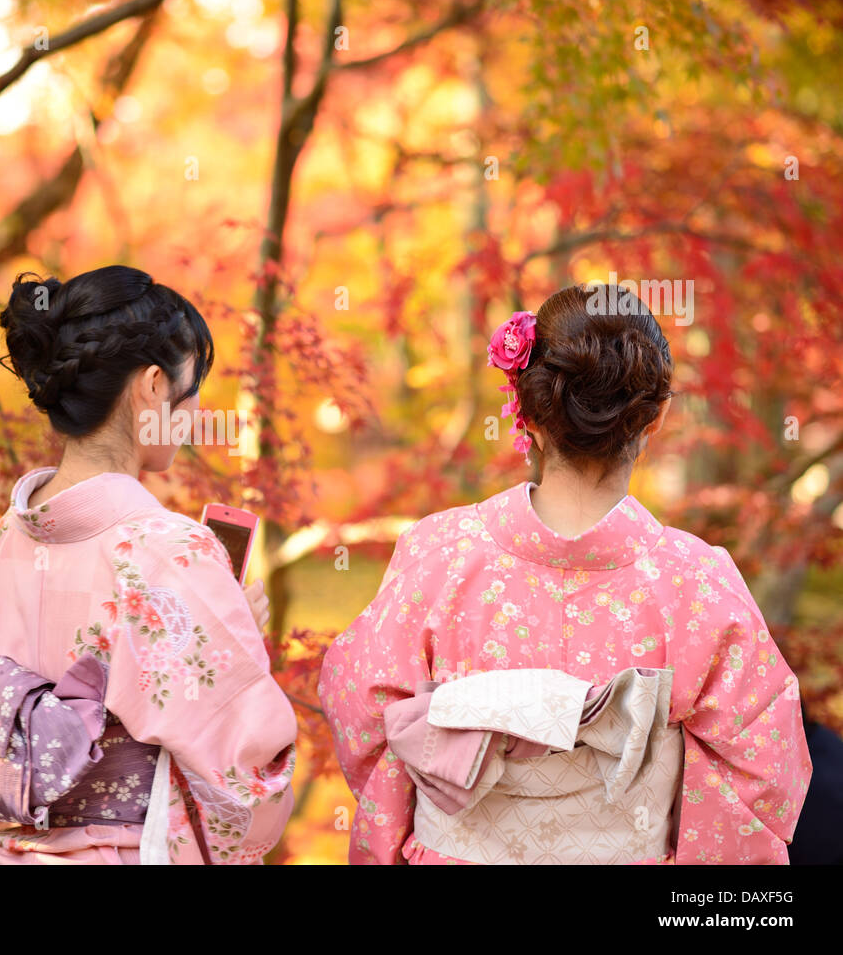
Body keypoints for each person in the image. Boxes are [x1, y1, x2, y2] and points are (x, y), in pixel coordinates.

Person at [319, 284, 813, 865]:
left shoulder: (436, 553)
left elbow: (362, 717)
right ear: (655, 419)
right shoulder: (698, 582)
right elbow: (761, 773)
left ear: (524, 410)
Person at [0, 264, 297, 864]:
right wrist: (236, 638)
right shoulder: (167, 549)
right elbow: (245, 783)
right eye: (192, 383)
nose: (198, 407)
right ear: (154, 385)